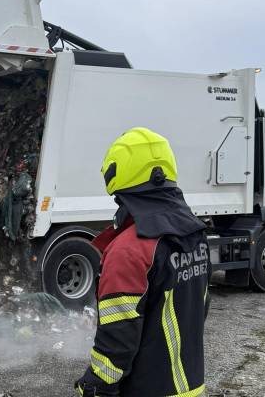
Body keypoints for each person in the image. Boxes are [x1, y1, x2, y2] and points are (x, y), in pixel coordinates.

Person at [75, 128, 210, 397]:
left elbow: (118, 337)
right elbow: (199, 307)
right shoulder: (196, 235)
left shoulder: (129, 250)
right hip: (192, 387)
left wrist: (95, 384)